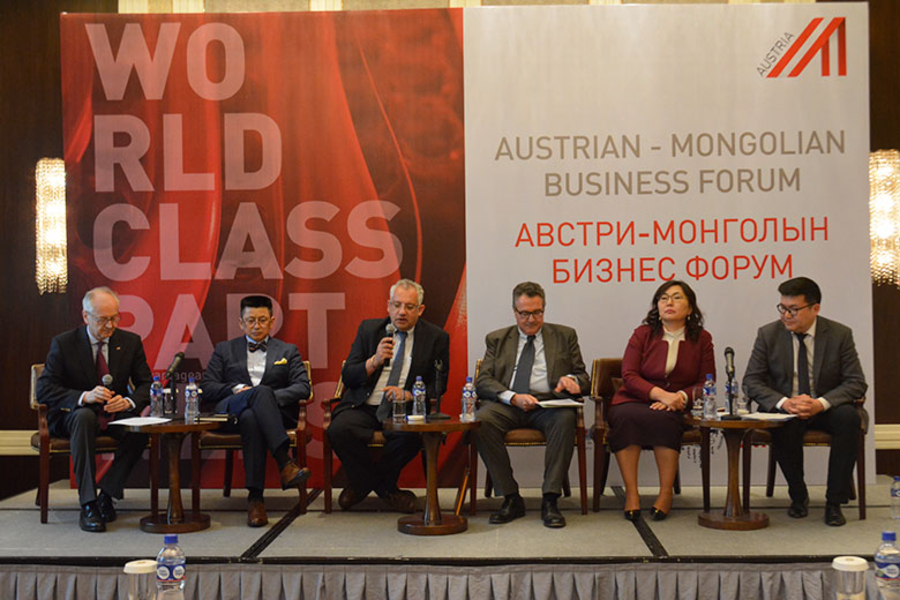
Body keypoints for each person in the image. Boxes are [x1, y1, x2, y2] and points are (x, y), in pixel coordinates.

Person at [744, 276, 866, 526]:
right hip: (788, 408)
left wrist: (821, 403)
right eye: (782, 308)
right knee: (783, 424)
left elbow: (856, 382)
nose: (786, 315)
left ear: (815, 308)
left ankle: (834, 502)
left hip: (825, 406)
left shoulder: (839, 334)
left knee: (849, 418)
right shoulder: (768, 334)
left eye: (793, 309)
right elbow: (752, 381)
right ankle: (798, 496)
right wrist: (784, 402)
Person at [474, 281, 590, 529]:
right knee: (481, 422)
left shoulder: (565, 335)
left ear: (544, 309)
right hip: (508, 403)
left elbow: (583, 377)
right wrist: (513, 397)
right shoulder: (497, 339)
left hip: (548, 404)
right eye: (524, 313)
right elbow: (483, 381)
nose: (531, 319)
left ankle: (550, 499)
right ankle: (510, 497)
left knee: (565, 419)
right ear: (514, 312)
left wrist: (572, 381)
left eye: (537, 312)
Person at [36, 287, 153, 532]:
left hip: (113, 413)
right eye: (102, 320)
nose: (110, 325)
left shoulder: (129, 342)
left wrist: (129, 402)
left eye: (115, 318)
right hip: (73, 416)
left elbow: (146, 384)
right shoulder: (64, 343)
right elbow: (44, 389)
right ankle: (88, 504)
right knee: (84, 417)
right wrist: (83, 397)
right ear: (85, 316)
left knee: (139, 430)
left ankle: (107, 495)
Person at [328, 279, 450, 513]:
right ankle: (386, 490)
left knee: (411, 436)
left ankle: (361, 486)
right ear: (388, 306)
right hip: (365, 405)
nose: (401, 312)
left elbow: (439, 385)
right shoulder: (369, 330)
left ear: (420, 310)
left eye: (409, 307)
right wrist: (373, 362)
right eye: (396, 305)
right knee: (338, 430)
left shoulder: (436, 338)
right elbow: (349, 376)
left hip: (403, 409)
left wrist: (409, 394)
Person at [608, 280, 715, 522]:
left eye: (677, 297)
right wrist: (661, 395)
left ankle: (665, 494)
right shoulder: (643, 334)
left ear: (690, 308)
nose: (669, 302)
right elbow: (629, 375)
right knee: (625, 417)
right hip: (634, 399)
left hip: (675, 404)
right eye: (663, 298)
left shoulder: (702, 339)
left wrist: (679, 397)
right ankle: (631, 493)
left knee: (665, 418)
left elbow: (706, 381)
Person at [201, 295, 311, 527]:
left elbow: (303, 387)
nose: (256, 326)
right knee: (253, 403)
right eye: (250, 320)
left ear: (272, 322)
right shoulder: (224, 349)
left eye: (262, 320)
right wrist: (237, 390)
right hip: (231, 412)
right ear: (241, 323)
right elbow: (207, 387)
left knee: (252, 416)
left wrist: (265, 397)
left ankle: (255, 499)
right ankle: (285, 462)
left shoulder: (288, 350)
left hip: (273, 415)